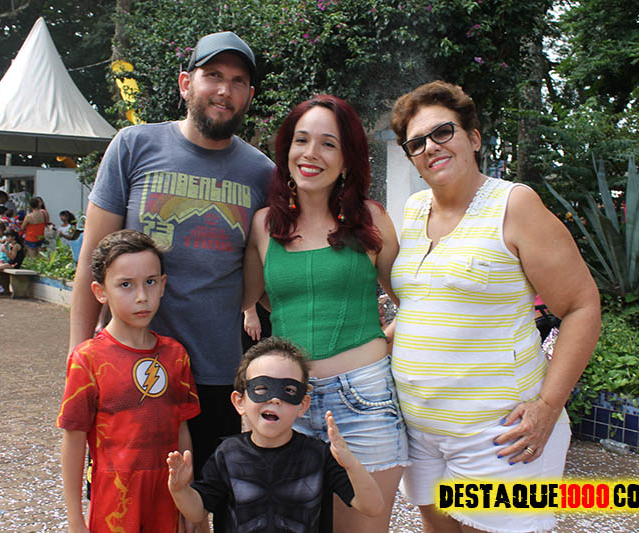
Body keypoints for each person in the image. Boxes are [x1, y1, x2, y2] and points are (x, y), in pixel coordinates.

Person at [68, 31, 274, 530]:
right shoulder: (134, 146)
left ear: (249, 95)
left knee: (204, 509)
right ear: (186, 83)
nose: (224, 90)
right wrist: (79, 362)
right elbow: (92, 260)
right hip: (131, 369)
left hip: (219, 375)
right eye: (213, 76)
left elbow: (266, 272)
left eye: (238, 81)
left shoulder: (261, 172)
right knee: (129, 507)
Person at [388, 81, 601, 533]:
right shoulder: (414, 209)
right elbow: (423, 305)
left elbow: (581, 306)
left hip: (498, 434)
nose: (430, 147)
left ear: (473, 138)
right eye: (416, 142)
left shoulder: (514, 205)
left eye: (442, 132)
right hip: (421, 431)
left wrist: (548, 405)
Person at [242, 94, 407, 532]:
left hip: (364, 401)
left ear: (347, 158)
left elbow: (413, 300)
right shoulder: (263, 226)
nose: (311, 153)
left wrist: (385, 338)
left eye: (328, 143)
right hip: (284, 400)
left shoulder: (371, 219)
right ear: (286, 151)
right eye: (301, 140)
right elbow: (251, 297)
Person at [57, 229, 200, 532]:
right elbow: (73, 438)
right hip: (114, 504)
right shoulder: (88, 359)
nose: (141, 296)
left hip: (166, 499)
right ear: (100, 292)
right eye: (125, 285)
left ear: (163, 284)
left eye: (150, 282)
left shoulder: (176, 355)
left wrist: (187, 498)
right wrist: (75, 519)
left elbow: (182, 430)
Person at [167, 337, 384, 531]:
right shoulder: (227, 454)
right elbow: (197, 511)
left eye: (289, 391)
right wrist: (180, 490)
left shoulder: (319, 455)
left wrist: (351, 463)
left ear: (302, 405)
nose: (275, 399)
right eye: (262, 389)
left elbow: (373, 506)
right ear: (240, 402)